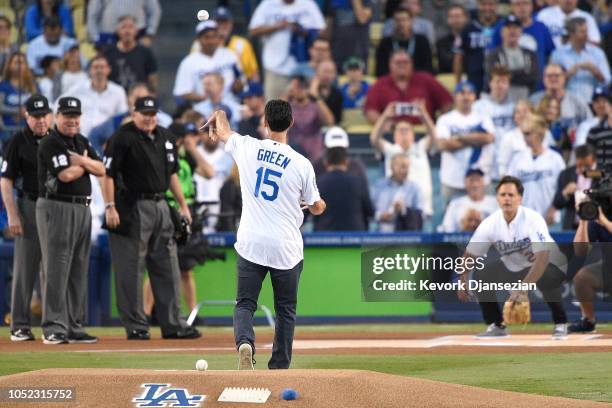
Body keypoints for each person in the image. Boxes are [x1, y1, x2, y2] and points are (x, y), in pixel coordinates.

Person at [204, 102, 326, 370]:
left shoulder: (247, 146)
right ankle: (279, 366)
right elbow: (316, 207)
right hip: (285, 247)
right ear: (292, 123)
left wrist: (219, 114)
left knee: (245, 304)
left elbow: (223, 129)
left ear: (265, 123)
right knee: (285, 311)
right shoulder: (301, 163)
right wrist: (315, 204)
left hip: (251, 242)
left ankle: (245, 342)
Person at [102, 96, 201, 340]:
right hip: (131, 205)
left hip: (160, 204)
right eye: (144, 113)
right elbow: (108, 175)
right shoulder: (121, 138)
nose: (149, 118)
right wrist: (109, 206)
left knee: (167, 265)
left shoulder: (166, 137)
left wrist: (181, 205)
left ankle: (173, 323)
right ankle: (136, 324)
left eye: (153, 113)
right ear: (134, 113)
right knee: (131, 268)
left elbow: (173, 174)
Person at [457, 176, 568, 339]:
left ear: (520, 198)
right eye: (503, 195)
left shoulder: (533, 219)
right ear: (497, 198)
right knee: (482, 275)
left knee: (548, 276)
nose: (507, 198)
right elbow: (471, 253)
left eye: (511, 195)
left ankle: (560, 324)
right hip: (513, 266)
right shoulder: (490, 223)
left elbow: (543, 257)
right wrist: (463, 279)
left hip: (549, 264)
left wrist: (522, 288)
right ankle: (496, 326)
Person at [36, 96, 106, 344]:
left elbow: (102, 169)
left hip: (81, 208)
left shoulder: (80, 141)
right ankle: (54, 326)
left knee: (78, 268)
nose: (72, 120)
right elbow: (65, 175)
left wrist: (83, 161)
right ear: (57, 117)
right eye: (67, 115)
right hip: (57, 206)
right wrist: (87, 165)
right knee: (56, 267)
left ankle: (74, 325)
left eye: (75, 115)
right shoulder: (50, 142)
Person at [143, 121, 214, 326]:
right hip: (168, 211)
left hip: (186, 215)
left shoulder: (187, 160)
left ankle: (191, 314)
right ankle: (146, 313)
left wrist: (192, 150)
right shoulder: (163, 156)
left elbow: (209, 172)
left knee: (186, 267)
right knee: (157, 265)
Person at [1, 95, 52, 342]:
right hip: (30, 205)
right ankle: (19, 324)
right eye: (36, 116)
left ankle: (54, 325)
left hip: (56, 207)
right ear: (26, 116)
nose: (41, 121)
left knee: (54, 270)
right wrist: (12, 214)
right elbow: (5, 180)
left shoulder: (57, 139)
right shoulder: (17, 141)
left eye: (44, 115)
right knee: (25, 268)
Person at [248, 0, 326, 100]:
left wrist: (302, 30)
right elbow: (253, 30)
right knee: (274, 109)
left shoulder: (307, 3)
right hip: (275, 67)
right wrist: (278, 26)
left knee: (306, 108)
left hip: (303, 67)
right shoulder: (268, 4)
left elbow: (322, 30)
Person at [369, 100, 436, 217]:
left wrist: (423, 115)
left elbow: (434, 136)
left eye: (407, 130)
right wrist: (385, 115)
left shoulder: (421, 147)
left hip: (422, 210)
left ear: (413, 134)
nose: (404, 133)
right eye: (400, 130)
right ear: (394, 135)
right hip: (395, 211)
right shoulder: (390, 149)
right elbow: (374, 139)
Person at [435, 80, 495, 205]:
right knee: (450, 221)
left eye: (470, 93)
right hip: (452, 180)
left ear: (475, 97)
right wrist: (475, 139)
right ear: (455, 96)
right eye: (462, 93)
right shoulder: (445, 119)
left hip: (480, 180)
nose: (466, 96)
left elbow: (488, 139)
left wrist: (459, 138)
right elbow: (443, 145)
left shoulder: (483, 117)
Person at [364, 50, 453, 125]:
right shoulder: (379, 84)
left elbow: (447, 103)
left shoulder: (427, 80)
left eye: (406, 62)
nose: (402, 65)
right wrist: (389, 126)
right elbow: (371, 112)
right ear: (390, 64)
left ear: (412, 64)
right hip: (391, 134)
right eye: (398, 63)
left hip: (424, 132)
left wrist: (439, 124)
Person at [507, 113, 566, 222]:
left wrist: (554, 208)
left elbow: (563, 188)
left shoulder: (555, 158)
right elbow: (510, 188)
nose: (525, 138)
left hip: (550, 219)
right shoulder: (517, 159)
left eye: (528, 134)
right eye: (523, 134)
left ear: (539, 134)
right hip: (523, 219)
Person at [173, 21, 244, 105]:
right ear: (199, 39)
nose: (211, 41)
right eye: (206, 37)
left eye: (214, 36)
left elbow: (242, 81)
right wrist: (204, 98)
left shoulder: (230, 55)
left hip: (231, 105)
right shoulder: (188, 62)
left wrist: (238, 86)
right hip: (203, 110)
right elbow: (181, 93)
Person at [59, 54, 128, 138]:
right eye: (95, 67)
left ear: (108, 69)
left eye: (102, 67)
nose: (99, 70)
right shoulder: (77, 89)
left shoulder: (118, 91)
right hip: (80, 138)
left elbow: (123, 117)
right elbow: (58, 106)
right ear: (90, 70)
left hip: (106, 141)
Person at [489, 0, 555, 85]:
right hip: (508, 85)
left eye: (525, 3)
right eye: (517, 4)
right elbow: (492, 53)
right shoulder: (501, 27)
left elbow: (550, 54)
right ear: (512, 7)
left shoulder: (541, 27)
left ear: (532, 6)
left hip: (537, 83)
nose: (522, 7)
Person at [570, 206, 612, 333]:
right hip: (608, 267)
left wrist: (604, 222)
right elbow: (579, 251)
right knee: (582, 279)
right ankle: (588, 321)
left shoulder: (602, 218)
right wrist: (583, 221)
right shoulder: (599, 215)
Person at [551, 17, 611, 105]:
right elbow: (552, 81)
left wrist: (596, 71)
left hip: (592, 102)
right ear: (572, 34)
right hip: (565, 102)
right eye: (582, 32)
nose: (586, 34)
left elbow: (608, 81)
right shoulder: (558, 54)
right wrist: (567, 75)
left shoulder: (597, 53)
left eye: (586, 31)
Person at [315, 147, 373, 231]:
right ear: (346, 162)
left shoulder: (318, 184)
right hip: (354, 237)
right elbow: (370, 212)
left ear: (326, 163)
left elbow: (307, 212)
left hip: (324, 238)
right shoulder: (359, 182)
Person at [474, 65, 516, 180]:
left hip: (509, 165)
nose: (500, 85)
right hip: (486, 166)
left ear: (508, 85)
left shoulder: (515, 108)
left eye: (504, 82)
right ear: (490, 83)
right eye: (497, 81)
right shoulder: (478, 106)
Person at [485, 15, 540, 101]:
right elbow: (492, 77)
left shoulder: (530, 54)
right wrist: (522, 72)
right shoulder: (493, 55)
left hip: (525, 101)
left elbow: (534, 77)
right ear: (502, 32)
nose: (512, 31)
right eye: (508, 28)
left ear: (521, 31)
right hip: (500, 102)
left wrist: (506, 73)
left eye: (515, 28)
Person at [453, 0, 499, 95]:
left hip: (498, 80)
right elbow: (458, 58)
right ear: (478, 5)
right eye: (483, 4)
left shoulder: (503, 26)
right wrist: (458, 83)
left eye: (490, 4)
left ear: (496, 5)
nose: (487, 8)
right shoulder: (468, 28)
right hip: (474, 79)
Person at [530, 63, 593, 131]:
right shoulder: (533, 101)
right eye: (549, 76)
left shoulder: (577, 101)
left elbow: (590, 124)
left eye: (557, 75)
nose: (553, 79)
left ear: (564, 77)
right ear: (543, 79)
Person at [104, 15, 158, 93]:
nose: (127, 31)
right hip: (114, 98)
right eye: (123, 27)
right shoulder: (107, 53)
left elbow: (152, 79)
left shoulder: (145, 52)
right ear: (117, 31)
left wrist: (152, 96)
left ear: (136, 31)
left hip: (139, 97)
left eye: (130, 27)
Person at [286, 74, 334, 161]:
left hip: (314, 156)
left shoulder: (316, 105)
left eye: (302, 87)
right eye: (297, 87)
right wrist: (287, 94)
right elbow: (274, 121)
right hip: (293, 157)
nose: (300, 90)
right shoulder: (287, 106)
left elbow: (329, 121)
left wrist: (316, 96)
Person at [375, 7, 433, 76]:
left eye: (404, 20)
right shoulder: (385, 43)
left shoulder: (422, 41)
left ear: (411, 21)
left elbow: (428, 68)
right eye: (397, 20)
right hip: (392, 82)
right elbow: (380, 70)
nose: (401, 23)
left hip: (417, 82)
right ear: (393, 22)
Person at [372, 154, 423, 232]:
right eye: (402, 167)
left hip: (405, 235)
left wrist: (404, 210)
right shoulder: (379, 186)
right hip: (380, 234)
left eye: (407, 167)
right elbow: (369, 211)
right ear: (392, 167)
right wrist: (381, 216)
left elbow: (420, 215)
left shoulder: (414, 188)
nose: (405, 171)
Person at [438, 168, 498, 233]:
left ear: (483, 182)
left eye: (477, 180)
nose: (475, 185)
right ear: (465, 183)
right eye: (471, 180)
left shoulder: (495, 203)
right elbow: (447, 229)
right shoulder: (455, 204)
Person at [553, 145, 596, 230]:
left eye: (587, 166)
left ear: (594, 161)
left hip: (596, 228)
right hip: (572, 228)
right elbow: (557, 203)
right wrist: (565, 193)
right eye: (580, 165)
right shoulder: (566, 174)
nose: (583, 169)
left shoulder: (604, 174)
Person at [212, 7, 260, 82]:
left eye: (225, 22)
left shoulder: (242, 44)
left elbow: (253, 73)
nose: (221, 26)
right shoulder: (201, 45)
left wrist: (254, 89)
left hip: (239, 89)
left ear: (231, 24)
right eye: (218, 22)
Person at [87, 0, 161, 48]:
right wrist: (96, 38)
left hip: (137, 35)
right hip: (109, 36)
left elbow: (155, 11)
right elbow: (92, 16)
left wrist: (149, 34)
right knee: (109, 69)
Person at [329, 0, 372, 70]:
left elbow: (362, 19)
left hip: (358, 47)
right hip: (337, 46)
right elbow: (329, 20)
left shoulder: (366, 1)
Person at [536, 0, 601, 47]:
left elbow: (595, 42)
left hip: (580, 57)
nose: (568, 1)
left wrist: (577, 39)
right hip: (550, 57)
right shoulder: (544, 15)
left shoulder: (587, 17)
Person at [0, 53, 38, 132]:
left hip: (30, 129)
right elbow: (1, 107)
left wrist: (26, 112)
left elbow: (40, 104)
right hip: (9, 129)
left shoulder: (33, 85)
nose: (19, 65)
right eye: (16, 62)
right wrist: (17, 111)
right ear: (9, 65)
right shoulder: (3, 85)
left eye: (22, 63)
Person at [436, 4, 468, 74]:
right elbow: (446, 65)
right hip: (448, 78)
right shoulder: (441, 42)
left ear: (466, 18)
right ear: (448, 20)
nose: (455, 20)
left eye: (458, 16)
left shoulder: (471, 39)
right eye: (452, 17)